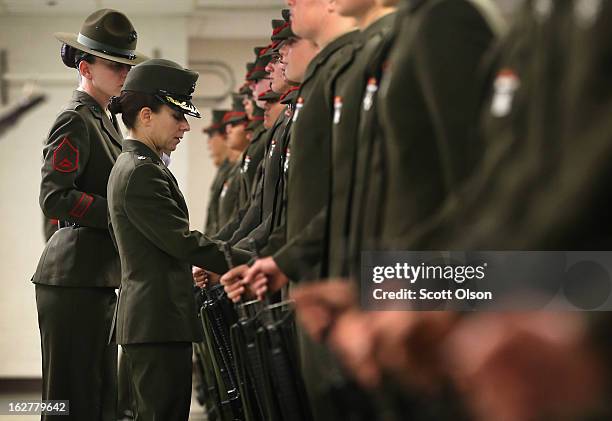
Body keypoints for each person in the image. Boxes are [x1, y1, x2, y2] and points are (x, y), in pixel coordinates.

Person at [106, 58, 250, 420]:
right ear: (146, 115)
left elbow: (161, 246)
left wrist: (190, 267)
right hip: (156, 322)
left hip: (155, 318)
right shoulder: (140, 171)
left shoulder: (139, 165)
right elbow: (181, 241)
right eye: (177, 116)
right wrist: (250, 260)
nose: (185, 127)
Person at [31, 9, 146, 421]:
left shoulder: (106, 121)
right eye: (114, 65)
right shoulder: (75, 119)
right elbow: (55, 197)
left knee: (98, 397)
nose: (123, 74)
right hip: (71, 276)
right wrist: (116, 215)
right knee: (67, 400)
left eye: (127, 66)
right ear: (85, 67)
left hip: (95, 275)